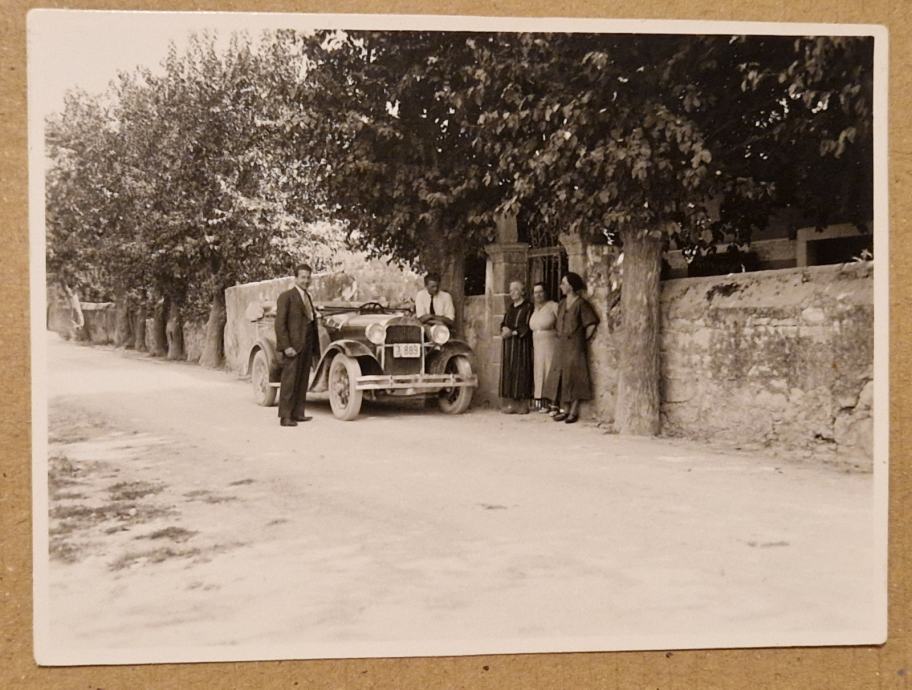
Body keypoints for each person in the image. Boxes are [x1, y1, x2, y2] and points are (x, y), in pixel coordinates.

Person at [543, 272, 600, 424]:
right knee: (561, 376)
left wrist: (582, 339)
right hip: (561, 344)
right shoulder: (562, 303)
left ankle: (573, 411)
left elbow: (591, 323)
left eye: (563, 283)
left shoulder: (581, 304)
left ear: (570, 286)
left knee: (575, 376)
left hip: (575, 345)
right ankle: (564, 409)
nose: (561, 286)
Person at [275, 263, 321, 427]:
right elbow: (280, 324)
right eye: (303, 277)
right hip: (293, 346)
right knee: (289, 381)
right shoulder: (286, 297)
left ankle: (298, 413)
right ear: (296, 278)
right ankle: (285, 416)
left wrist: (315, 347)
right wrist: (286, 346)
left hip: (307, 345)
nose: (306, 280)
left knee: (302, 380)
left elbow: (311, 321)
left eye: (308, 278)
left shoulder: (307, 297)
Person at [499, 280, 534, 414]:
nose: (512, 292)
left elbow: (526, 326)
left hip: (521, 345)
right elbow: (503, 322)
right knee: (509, 372)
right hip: (508, 345)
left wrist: (513, 332)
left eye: (515, 289)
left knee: (521, 371)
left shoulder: (528, 307)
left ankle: (523, 404)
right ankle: (511, 404)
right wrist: (503, 329)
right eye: (510, 290)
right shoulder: (510, 307)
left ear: (522, 291)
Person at [529, 282, 559, 412]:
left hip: (550, 343)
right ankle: (541, 402)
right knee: (539, 371)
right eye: (535, 293)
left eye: (540, 292)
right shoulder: (535, 309)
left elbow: (560, 324)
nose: (538, 295)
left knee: (549, 370)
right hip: (537, 345)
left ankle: (554, 402)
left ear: (546, 292)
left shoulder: (553, 306)